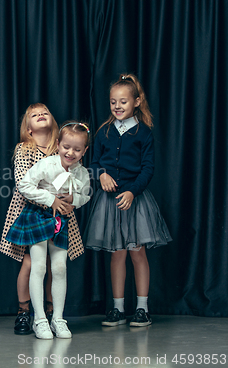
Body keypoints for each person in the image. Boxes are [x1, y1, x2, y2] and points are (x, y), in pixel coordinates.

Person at [84, 73, 172, 327]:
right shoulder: (104, 132)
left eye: (123, 101)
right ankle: (117, 308)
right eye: (113, 102)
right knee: (117, 255)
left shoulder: (144, 133)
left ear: (136, 101)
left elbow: (147, 168)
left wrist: (133, 191)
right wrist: (100, 175)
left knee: (137, 253)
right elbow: (95, 163)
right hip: (109, 203)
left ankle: (142, 308)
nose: (118, 106)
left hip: (135, 201)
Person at [0, 104, 83, 335]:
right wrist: (51, 199)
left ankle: (51, 312)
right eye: (34, 115)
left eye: (45, 112)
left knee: (54, 263)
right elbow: (23, 182)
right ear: (28, 128)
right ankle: (24, 311)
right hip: (31, 211)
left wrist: (72, 197)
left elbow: (76, 180)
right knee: (31, 262)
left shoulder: (63, 147)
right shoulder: (24, 149)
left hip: (61, 213)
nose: (40, 115)